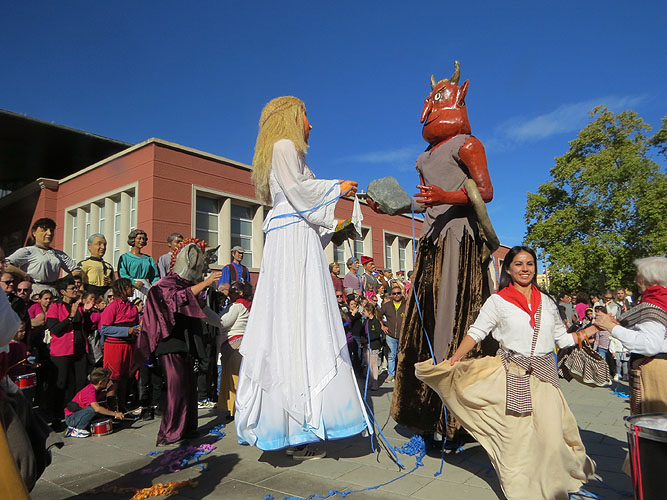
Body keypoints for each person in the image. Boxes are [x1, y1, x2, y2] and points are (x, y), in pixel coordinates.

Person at [235, 96, 370, 459]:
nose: (311, 124)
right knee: (295, 323)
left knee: (301, 324)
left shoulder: (292, 154)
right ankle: (295, 422)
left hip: (297, 237)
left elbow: (308, 212)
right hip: (292, 241)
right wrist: (336, 187)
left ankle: (299, 422)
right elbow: (298, 193)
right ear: (292, 117)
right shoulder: (284, 146)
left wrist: (338, 225)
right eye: (306, 116)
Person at [368, 64, 498, 437]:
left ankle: (455, 421)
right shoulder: (425, 155)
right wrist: (394, 205)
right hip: (430, 241)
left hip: (458, 238)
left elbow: (485, 191)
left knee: (451, 320)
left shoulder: (468, 144)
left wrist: (448, 196)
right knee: (422, 321)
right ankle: (424, 411)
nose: (431, 105)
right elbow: (426, 201)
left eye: (439, 96)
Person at [415, 246, 595, 499]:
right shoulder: (498, 301)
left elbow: (562, 339)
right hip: (513, 375)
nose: (525, 269)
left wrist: (592, 329)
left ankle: (552, 485)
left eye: (530, 263)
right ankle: (521, 491)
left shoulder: (547, 302)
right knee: (516, 441)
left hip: (545, 378)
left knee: (552, 438)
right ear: (508, 269)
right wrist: (456, 356)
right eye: (519, 264)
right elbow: (477, 332)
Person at [134, 238, 222, 446]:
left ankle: (187, 428)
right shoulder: (165, 284)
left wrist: (220, 321)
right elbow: (174, 300)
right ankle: (169, 432)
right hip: (170, 343)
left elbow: (197, 307)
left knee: (188, 388)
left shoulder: (186, 285)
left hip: (186, 343)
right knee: (176, 388)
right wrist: (205, 283)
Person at [590, 257, 667, 414]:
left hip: (655, 369)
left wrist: (612, 327)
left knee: (653, 423)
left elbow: (649, 345)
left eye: (638, 275)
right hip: (657, 366)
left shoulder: (654, 304)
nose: (635, 280)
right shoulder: (661, 300)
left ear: (650, 278)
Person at [46, 275, 93, 423]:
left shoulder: (78, 305)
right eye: (72, 288)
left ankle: (76, 413)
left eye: (76, 287)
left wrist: (87, 313)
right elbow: (55, 329)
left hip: (79, 349)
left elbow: (87, 328)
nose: (75, 290)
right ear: (63, 292)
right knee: (61, 383)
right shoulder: (55, 307)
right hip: (62, 351)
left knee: (80, 383)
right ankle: (56, 416)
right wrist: (70, 317)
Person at [6, 218, 81, 293]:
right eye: (44, 230)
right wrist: (24, 275)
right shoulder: (28, 251)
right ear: (34, 232)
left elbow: (77, 270)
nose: (49, 233)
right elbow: (5, 265)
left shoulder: (58, 254)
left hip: (53, 290)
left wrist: (62, 281)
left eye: (51, 230)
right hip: (33, 289)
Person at [99, 279, 140, 412]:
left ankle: (122, 408)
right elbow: (104, 329)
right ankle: (112, 410)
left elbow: (135, 325)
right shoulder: (112, 307)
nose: (133, 289)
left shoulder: (132, 307)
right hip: (114, 347)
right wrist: (127, 331)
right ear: (122, 289)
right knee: (113, 379)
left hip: (129, 346)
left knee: (125, 378)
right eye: (129, 287)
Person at [216, 281, 252, 420]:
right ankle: (237, 408)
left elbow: (223, 322)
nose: (229, 295)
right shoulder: (248, 305)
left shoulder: (237, 306)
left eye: (232, 292)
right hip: (241, 343)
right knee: (238, 379)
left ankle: (234, 409)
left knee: (232, 379)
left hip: (233, 344)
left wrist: (206, 313)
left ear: (240, 293)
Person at [63, 367, 124, 438]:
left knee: (100, 411)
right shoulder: (90, 391)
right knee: (92, 409)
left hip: (77, 414)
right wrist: (115, 414)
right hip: (71, 418)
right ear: (101, 382)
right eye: (107, 380)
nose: (108, 382)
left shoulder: (94, 389)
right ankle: (78, 430)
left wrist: (109, 391)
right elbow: (97, 408)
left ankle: (79, 427)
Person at [117, 229, 160, 301]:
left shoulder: (148, 259)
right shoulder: (125, 257)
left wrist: (155, 288)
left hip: (146, 288)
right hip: (131, 288)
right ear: (133, 239)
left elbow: (155, 276)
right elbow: (122, 274)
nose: (142, 241)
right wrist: (133, 282)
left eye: (143, 239)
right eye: (139, 238)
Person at [379, 285, 406, 383]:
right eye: (394, 293)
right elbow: (378, 315)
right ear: (391, 295)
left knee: (402, 355)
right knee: (391, 355)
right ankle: (391, 374)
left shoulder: (406, 304)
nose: (396, 295)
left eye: (398, 293)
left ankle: (402, 374)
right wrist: (382, 326)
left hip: (403, 335)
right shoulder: (387, 306)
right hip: (390, 335)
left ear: (401, 294)